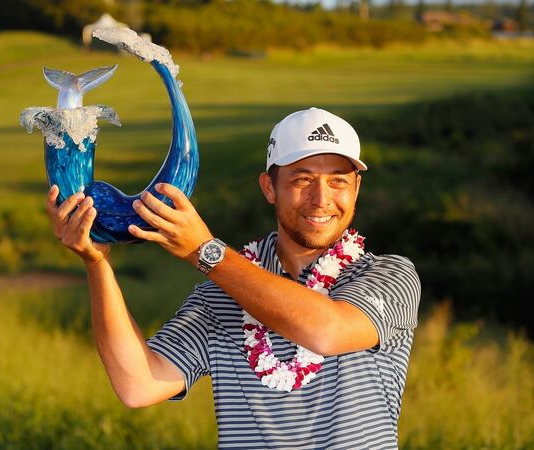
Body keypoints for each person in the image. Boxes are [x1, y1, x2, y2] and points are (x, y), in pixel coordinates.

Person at [46, 107, 421, 449]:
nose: (321, 198)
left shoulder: (389, 275)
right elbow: (137, 384)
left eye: (338, 181)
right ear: (269, 187)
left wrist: (204, 251)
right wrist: (96, 263)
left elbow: (326, 331)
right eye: (302, 180)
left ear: (356, 188)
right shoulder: (221, 294)